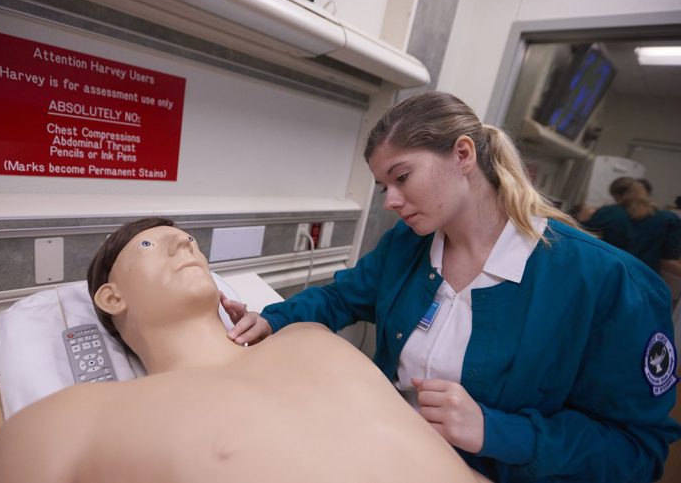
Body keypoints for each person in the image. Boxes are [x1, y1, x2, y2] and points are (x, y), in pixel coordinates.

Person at [223, 92, 681, 482]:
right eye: (384, 186)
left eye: (401, 178)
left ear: (463, 155)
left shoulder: (609, 284)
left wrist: (493, 431)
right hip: (380, 454)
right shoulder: (408, 245)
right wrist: (272, 319)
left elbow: (636, 451)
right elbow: (340, 296)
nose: (391, 202)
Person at [0, 217, 490, 483]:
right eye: (152, 244)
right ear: (112, 296)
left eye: (191, 243)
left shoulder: (309, 338)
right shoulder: (73, 418)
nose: (186, 245)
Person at [577, 176, 681, 273]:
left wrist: (582, 219)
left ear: (617, 195)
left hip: (608, 273)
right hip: (644, 280)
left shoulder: (609, 213)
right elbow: (668, 259)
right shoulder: (668, 219)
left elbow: (580, 240)